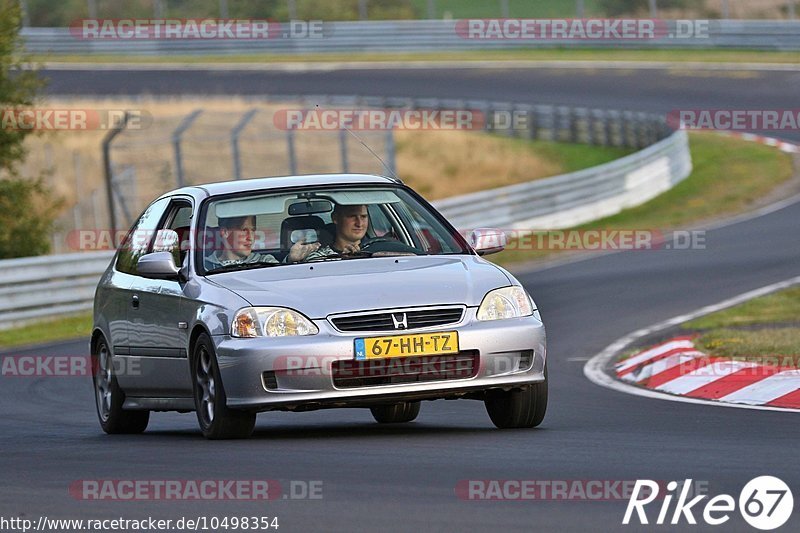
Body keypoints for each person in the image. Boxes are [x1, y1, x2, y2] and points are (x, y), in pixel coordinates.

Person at [205, 215, 320, 270]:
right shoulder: (206, 266)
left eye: (253, 230)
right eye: (243, 230)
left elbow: (281, 277)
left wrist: (290, 260)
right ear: (225, 232)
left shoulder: (265, 261)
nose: (250, 237)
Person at [304, 204, 369, 261]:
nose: (359, 223)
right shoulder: (318, 258)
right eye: (352, 216)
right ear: (335, 218)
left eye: (363, 216)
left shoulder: (376, 252)